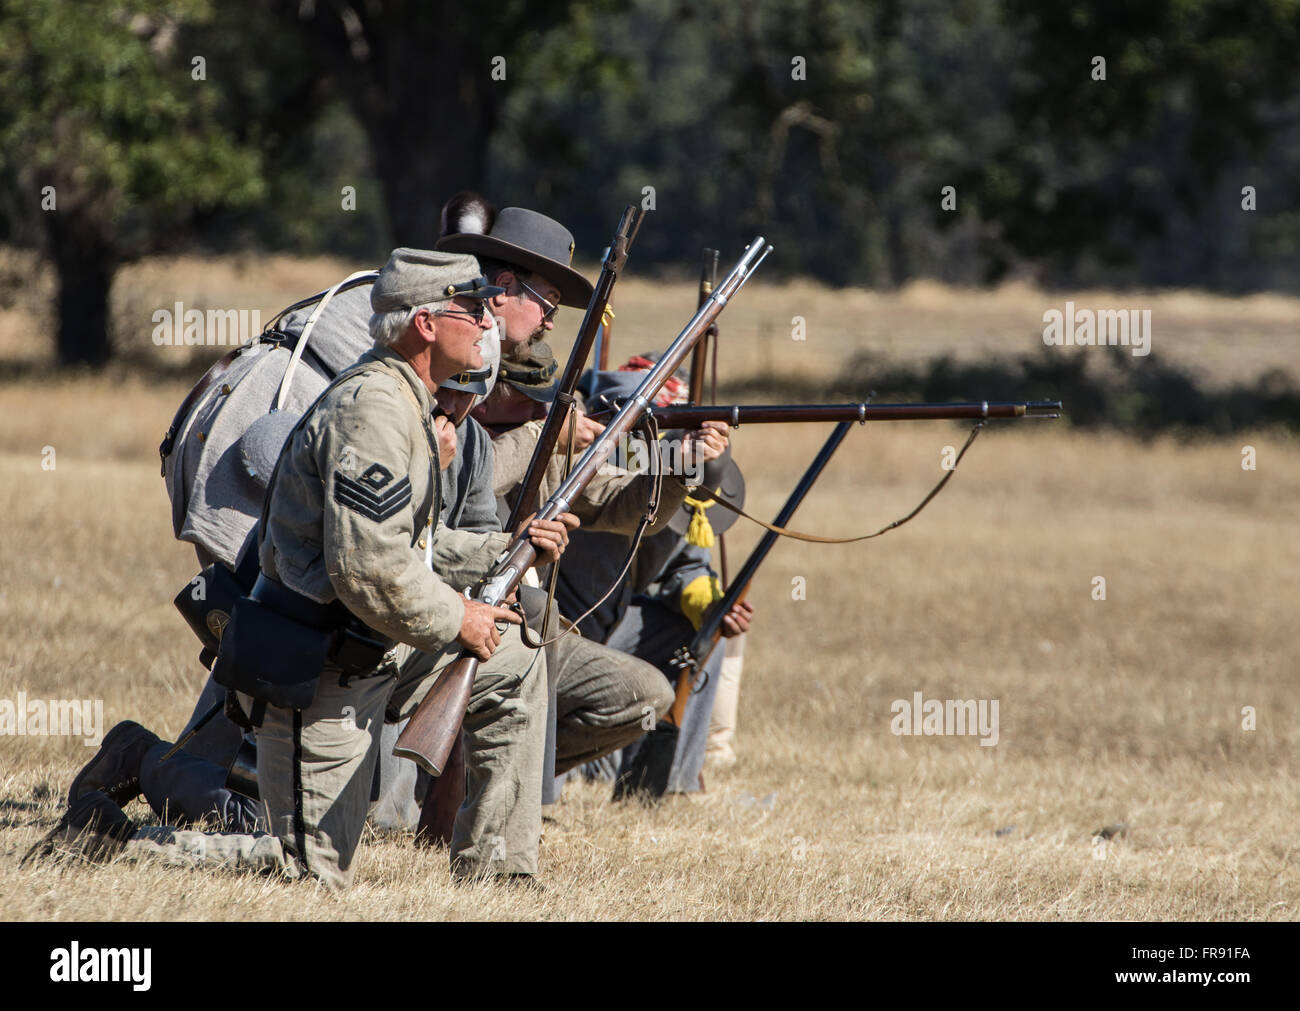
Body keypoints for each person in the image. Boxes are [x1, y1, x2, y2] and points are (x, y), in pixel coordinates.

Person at [38, 250, 577, 889]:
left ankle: (498, 871)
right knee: (309, 875)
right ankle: (113, 843)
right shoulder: (372, 412)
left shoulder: (411, 402)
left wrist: (502, 551)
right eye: (470, 306)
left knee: (515, 656)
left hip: (374, 644)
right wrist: (461, 616)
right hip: (317, 669)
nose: (488, 321)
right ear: (425, 325)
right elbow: (370, 571)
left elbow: (411, 546)